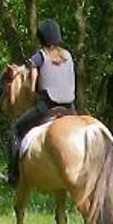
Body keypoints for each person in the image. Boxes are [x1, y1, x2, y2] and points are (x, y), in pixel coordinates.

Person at [6, 18, 78, 186]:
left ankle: (13, 175)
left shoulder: (39, 57)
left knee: (16, 129)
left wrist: (32, 96)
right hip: (70, 107)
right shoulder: (68, 55)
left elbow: (32, 86)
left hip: (48, 105)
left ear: (41, 38)